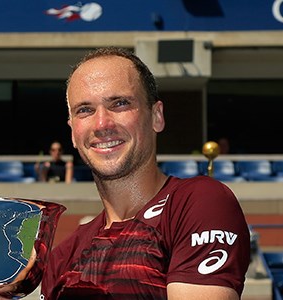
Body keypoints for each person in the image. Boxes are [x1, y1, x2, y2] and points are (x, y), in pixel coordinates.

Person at [40, 47, 250, 299]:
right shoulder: (62, 257)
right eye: (85, 110)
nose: (102, 124)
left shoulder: (197, 202)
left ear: (156, 116)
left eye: (119, 103)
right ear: (73, 131)